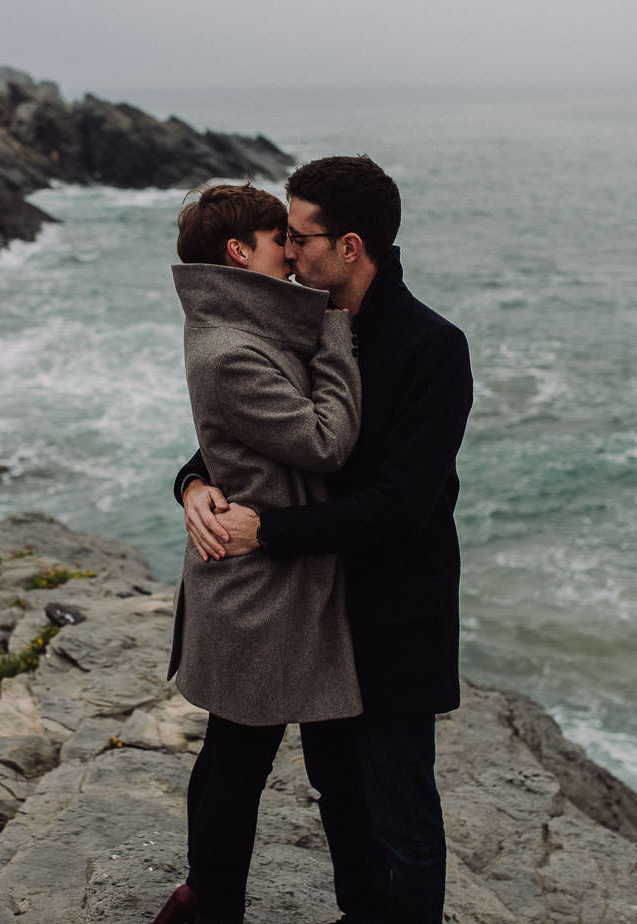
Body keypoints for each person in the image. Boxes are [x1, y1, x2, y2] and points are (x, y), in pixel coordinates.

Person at [175, 156, 473, 923]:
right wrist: (194, 483)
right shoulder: (308, 323)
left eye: (298, 236)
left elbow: (401, 506)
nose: (290, 251)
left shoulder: (430, 347)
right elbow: (247, 428)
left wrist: (267, 530)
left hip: (394, 610)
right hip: (320, 611)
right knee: (338, 792)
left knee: (401, 812)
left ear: (349, 245)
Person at [156, 182, 364, 924]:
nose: (293, 250)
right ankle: (213, 906)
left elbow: (228, 443)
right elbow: (323, 442)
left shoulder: (245, 330)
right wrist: (338, 333)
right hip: (261, 593)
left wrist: (191, 480)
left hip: (263, 583)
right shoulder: (231, 349)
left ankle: (204, 899)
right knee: (239, 763)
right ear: (240, 252)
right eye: (281, 238)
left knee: (234, 756)